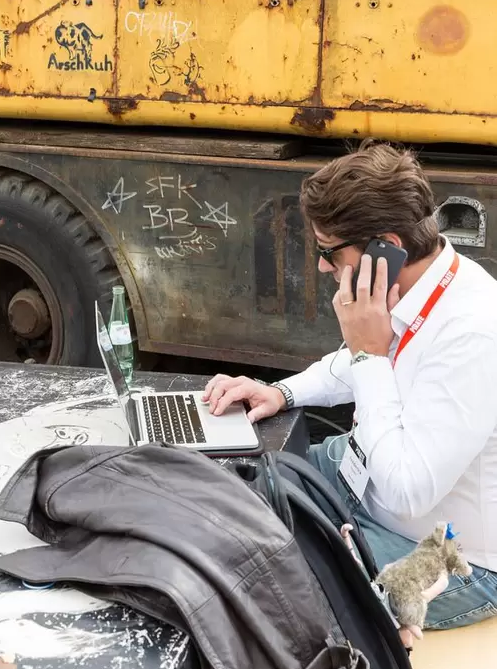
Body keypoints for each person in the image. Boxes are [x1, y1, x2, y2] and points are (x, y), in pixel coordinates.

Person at [204, 141, 497, 633]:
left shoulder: (475, 332)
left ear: (385, 245)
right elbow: (360, 362)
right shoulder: (424, 283)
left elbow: (408, 491)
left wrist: (368, 352)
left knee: (255, 581)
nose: (321, 266)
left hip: (443, 553)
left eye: (328, 251)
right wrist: (281, 392)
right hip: (364, 481)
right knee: (233, 480)